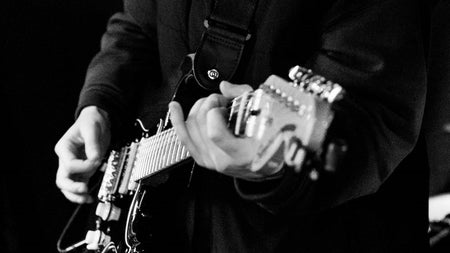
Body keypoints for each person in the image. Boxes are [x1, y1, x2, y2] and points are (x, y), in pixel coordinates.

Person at [55, 0, 431, 252]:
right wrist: (100, 103)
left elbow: (373, 124)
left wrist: (273, 167)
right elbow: (137, 26)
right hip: (170, 222)